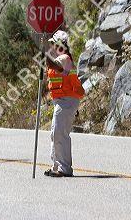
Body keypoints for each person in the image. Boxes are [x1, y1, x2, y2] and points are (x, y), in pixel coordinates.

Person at [44, 30, 85, 178]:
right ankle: (56, 166)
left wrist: (44, 49)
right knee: (55, 133)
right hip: (63, 101)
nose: (52, 47)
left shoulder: (64, 59)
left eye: (53, 44)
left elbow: (53, 65)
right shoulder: (62, 58)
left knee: (60, 133)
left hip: (67, 101)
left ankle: (64, 168)